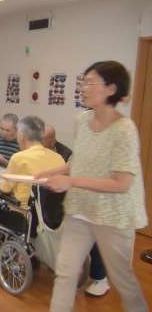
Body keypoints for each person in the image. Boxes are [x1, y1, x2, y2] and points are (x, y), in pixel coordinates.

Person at [15, 60, 150, 312]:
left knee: (120, 276)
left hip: (113, 213)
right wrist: (51, 172)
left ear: (111, 89)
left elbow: (122, 183)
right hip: (81, 208)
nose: (83, 88)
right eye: (83, 82)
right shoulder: (82, 121)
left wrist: (71, 180)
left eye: (90, 82)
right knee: (65, 270)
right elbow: (79, 161)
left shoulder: (124, 130)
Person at [43, 124, 109, 296]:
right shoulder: (83, 147)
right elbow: (69, 167)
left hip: (98, 201)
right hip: (78, 199)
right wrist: (46, 174)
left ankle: (100, 278)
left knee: (94, 237)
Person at [0, 116, 65, 207]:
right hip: (50, 212)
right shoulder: (59, 157)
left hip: (23, 210)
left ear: (21, 136)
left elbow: (5, 189)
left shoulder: (19, 157)